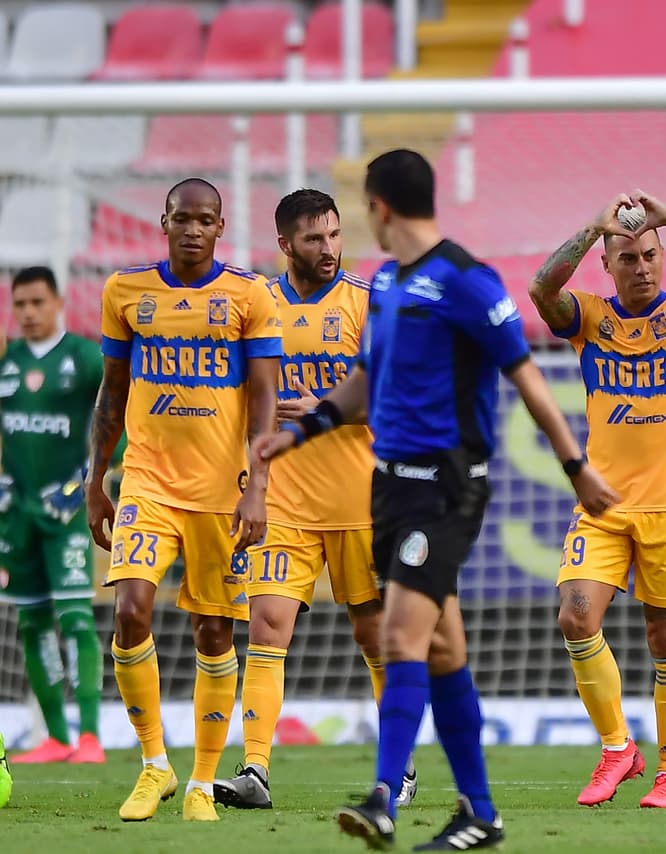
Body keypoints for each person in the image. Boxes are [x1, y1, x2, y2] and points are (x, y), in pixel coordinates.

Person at [253, 148, 617, 851]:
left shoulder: (470, 283)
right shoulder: (385, 285)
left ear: (380, 208)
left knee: (398, 637)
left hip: (445, 487)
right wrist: (302, 433)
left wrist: (575, 465)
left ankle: (385, 796)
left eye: (359, 213)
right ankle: (480, 813)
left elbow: (528, 380)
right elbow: (365, 382)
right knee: (445, 649)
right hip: (389, 486)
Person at [527, 191, 666, 809]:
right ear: (607, 265)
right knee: (575, 617)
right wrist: (589, 226)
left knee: (664, 637)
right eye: (626, 258)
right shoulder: (591, 319)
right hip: (602, 502)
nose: (642, 267)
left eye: (650, 255)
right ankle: (618, 748)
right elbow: (541, 289)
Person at [85, 178, 282, 822]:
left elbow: (262, 398)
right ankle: (153, 766)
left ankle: (201, 781)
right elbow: (112, 393)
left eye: (205, 220)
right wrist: (95, 480)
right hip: (146, 481)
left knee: (214, 630)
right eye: (182, 218)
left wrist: (258, 487)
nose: (193, 229)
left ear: (220, 227)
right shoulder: (126, 291)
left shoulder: (248, 295)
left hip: (221, 492)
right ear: (162, 221)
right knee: (132, 611)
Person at [214, 189, 415, 810]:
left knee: (375, 637)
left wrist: (329, 411)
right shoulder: (257, 304)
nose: (328, 249)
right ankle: (255, 770)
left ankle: (399, 771)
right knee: (267, 627)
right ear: (284, 245)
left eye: (333, 235)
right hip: (284, 501)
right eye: (313, 239)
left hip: (362, 498)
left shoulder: (368, 301)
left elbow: (400, 395)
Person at [0, 266, 116, 765]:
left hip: (63, 508)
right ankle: (55, 738)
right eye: (19, 304)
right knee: (32, 622)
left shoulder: (84, 357)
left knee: (74, 616)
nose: (27, 313)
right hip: (16, 514)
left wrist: (87, 481)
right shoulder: (8, 361)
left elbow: (121, 418)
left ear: (59, 302)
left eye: (36, 303)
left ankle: (89, 735)